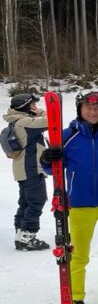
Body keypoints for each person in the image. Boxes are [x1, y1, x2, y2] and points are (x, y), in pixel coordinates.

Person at [39, 91, 98, 304]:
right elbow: (52, 170)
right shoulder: (66, 137)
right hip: (79, 204)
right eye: (88, 108)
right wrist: (46, 159)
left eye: (97, 109)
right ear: (80, 110)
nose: (93, 112)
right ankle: (75, 297)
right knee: (78, 253)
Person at [5, 93, 49, 250]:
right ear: (25, 106)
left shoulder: (16, 121)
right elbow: (52, 121)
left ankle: (21, 234)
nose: (36, 108)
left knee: (26, 202)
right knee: (36, 200)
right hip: (29, 168)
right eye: (33, 105)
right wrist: (41, 112)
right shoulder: (24, 122)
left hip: (22, 169)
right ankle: (27, 236)